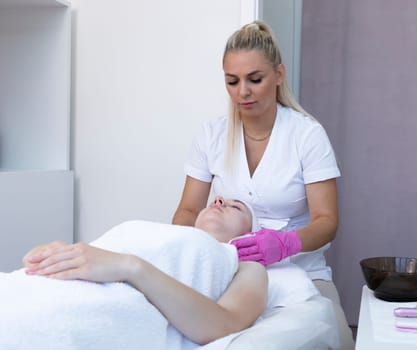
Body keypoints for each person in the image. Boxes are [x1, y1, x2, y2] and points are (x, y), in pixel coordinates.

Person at [172, 21, 354, 349]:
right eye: (232, 81)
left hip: (302, 270)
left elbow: (327, 222)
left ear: (279, 75)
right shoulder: (211, 135)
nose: (243, 92)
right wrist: (202, 252)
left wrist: (286, 244)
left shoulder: (307, 136)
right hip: (228, 271)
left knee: (338, 339)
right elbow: (187, 211)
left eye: (255, 80)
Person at [19, 196, 268, 346]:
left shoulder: (245, 267)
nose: (219, 201)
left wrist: (130, 267)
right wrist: (52, 255)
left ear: (249, 234)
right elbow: (97, 255)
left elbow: (224, 325)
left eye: (236, 207)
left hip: (93, 311)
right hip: (36, 291)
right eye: (216, 199)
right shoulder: (156, 231)